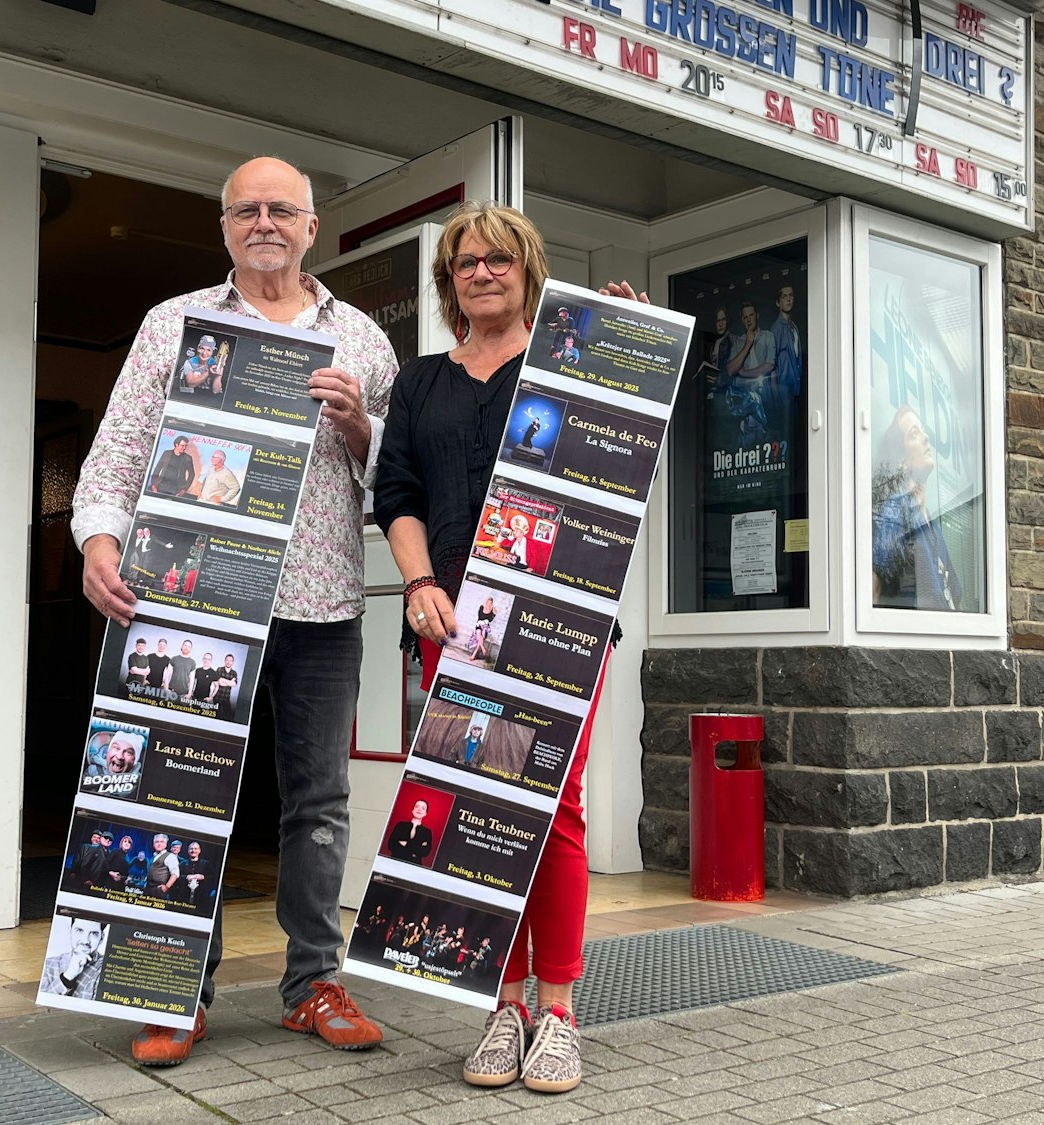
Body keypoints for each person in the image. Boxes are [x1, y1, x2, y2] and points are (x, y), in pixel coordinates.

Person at [72, 157, 397, 1065]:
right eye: (246, 210)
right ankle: (171, 986)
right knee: (180, 788)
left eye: (281, 209)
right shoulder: (173, 323)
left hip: (322, 605)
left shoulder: (362, 340)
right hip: (195, 599)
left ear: (311, 227)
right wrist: (98, 542)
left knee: (320, 800)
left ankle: (314, 982)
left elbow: (399, 479)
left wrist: (360, 427)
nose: (264, 222)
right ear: (223, 227)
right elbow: (119, 449)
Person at [374, 200, 640, 1095]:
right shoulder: (419, 383)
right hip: (454, 626)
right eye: (465, 262)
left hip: (562, 622)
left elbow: (623, 456)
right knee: (477, 805)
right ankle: (503, 1003)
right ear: (448, 281)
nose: (481, 272)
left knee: (554, 808)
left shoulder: (567, 364)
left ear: (529, 271)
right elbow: (397, 493)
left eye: (498, 259)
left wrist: (622, 349)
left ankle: (557, 1010)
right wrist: (419, 582)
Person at [871, 405, 961, 612]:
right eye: (914, 433)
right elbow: (874, 589)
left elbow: (953, 594)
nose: (926, 437)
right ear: (901, 459)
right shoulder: (893, 513)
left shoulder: (930, 521)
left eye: (923, 430)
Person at [385, 799, 437, 865]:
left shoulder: (427, 832)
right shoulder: (401, 825)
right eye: (417, 806)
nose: (419, 809)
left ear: (425, 813)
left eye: (423, 808)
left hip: (414, 865)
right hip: (395, 862)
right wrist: (417, 847)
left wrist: (405, 844)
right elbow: (391, 845)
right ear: (412, 810)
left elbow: (425, 852)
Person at [145, 832, 181, 900]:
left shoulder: (170, 856)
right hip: (148, 889)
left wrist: (166, 887)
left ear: (166, 844)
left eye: (162, 842)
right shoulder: (154, 856)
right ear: (153, 844)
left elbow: (175, 874)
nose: (159, 844)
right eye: (157, 842)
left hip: (159, 891)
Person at [211, 655, 240, 722]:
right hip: (217, 697)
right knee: (215, 716)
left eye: (230, 660)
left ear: (233, 662)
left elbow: (234, 684)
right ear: (224, 661)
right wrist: (229, 682)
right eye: (227, 660)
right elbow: (219, 682)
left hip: (226, 698)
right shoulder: (219, 669)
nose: (228, 662)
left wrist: (222, 679)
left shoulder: (234, 673)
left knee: (229, 717)